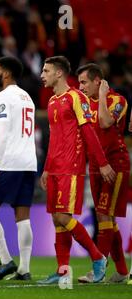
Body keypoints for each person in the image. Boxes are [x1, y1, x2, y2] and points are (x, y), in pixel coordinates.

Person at [37, 56, 115, 284]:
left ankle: (98, 257)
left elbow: (89, 132)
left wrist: (102, 162)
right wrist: (46, 168)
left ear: (59, 73)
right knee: (56, 219)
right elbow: (53, 139)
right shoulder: (52, 101)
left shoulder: (76, 97)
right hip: (55, 168)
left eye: (46, 70)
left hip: (71, 166)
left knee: (62, 216)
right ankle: (63, 270)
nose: (42, 75)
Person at [0, 57, 36, 281]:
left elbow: (2, 134)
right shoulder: (26, 97)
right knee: (23, 215)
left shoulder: (3, 97)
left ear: (7, 74)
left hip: (10, 161)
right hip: (29, 162)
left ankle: (5, 260)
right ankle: (25, 268)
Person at [76, 63, 130, 283]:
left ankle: (98, 269)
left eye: (84, 82)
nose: (80, 87)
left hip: (115, 164)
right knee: (108, 219)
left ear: (97, 81)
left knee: (104, 215)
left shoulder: (118, 101)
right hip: (96, 166)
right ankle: (122, 272)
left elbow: (106, 121)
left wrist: (102, 96)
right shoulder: (85, 102)